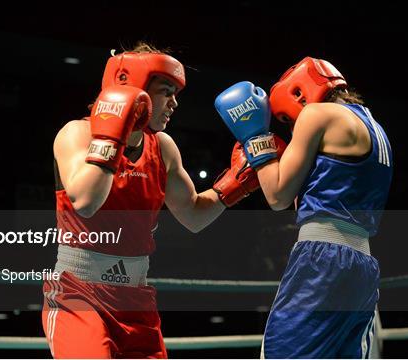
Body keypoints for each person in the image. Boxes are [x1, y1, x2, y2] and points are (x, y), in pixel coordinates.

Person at [42, 42, 261, 358]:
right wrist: (112, 136)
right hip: (78, 293)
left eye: (176, 94)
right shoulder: (76, 134)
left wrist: (235, 185)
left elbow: (193, 215)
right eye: (165, 91)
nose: (173, 103)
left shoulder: (163, 147)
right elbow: (86, 200)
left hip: (135, 298)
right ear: (133, 87)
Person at [214, 57, 393, 358]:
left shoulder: (316, 114)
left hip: (322, 258)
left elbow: (277, 196)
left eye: (286, 119)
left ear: (300, 94)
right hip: (362, 263)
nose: (293, 126)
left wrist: (255, 138)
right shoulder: (375, 127)